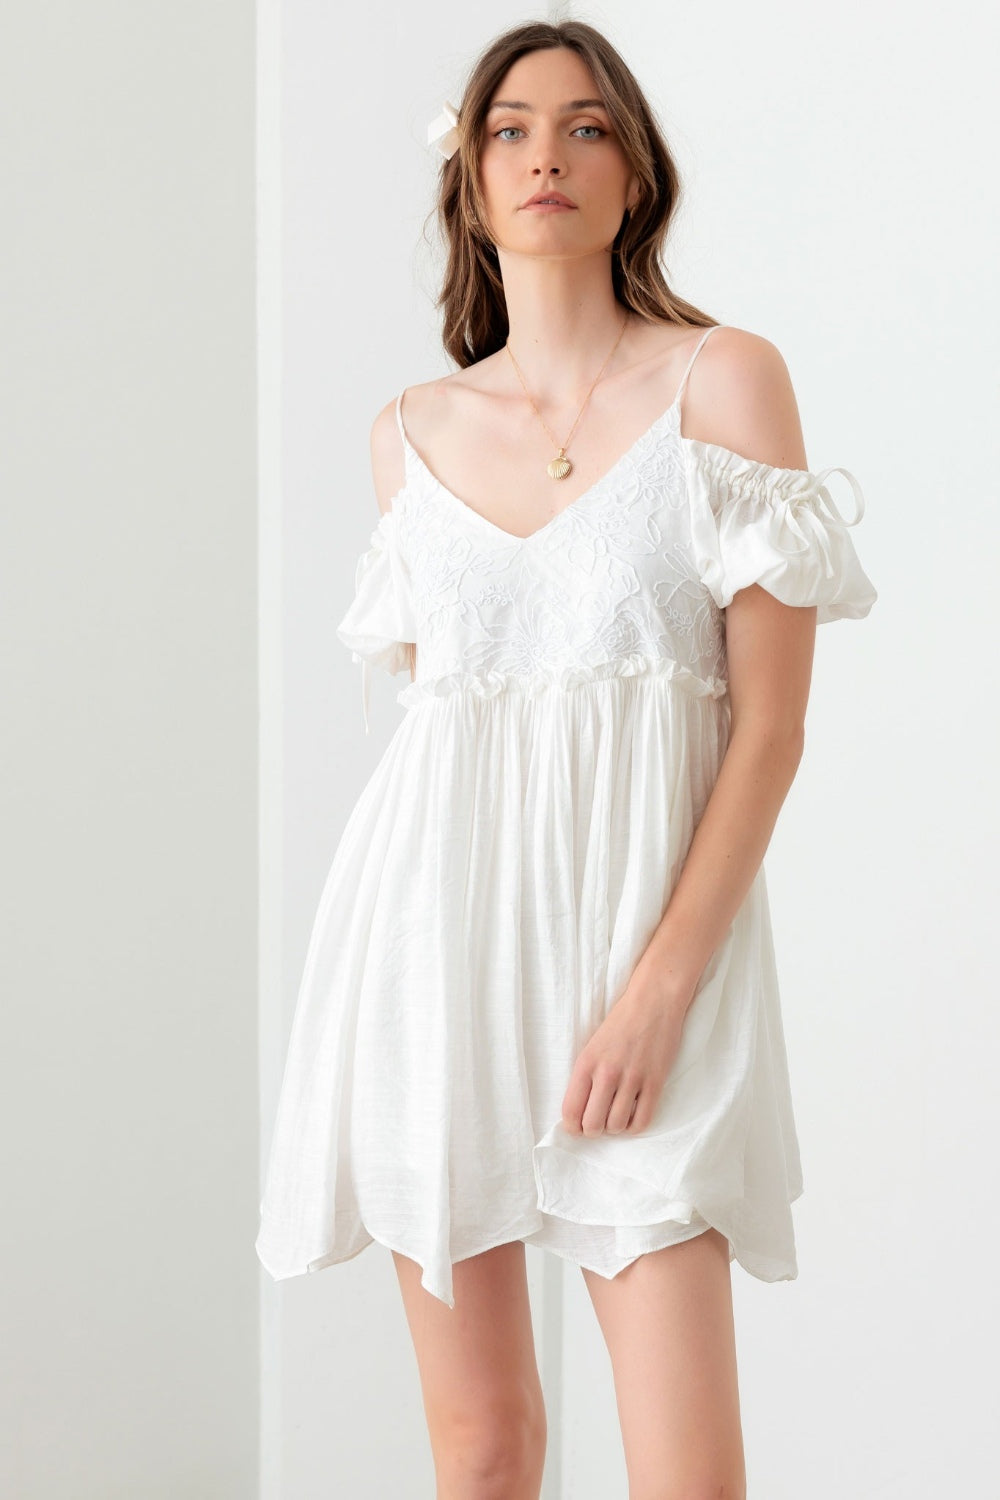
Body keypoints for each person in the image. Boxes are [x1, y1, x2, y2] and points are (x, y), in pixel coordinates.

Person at [257, 18, 877, 1498]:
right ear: (471, 183)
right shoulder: (407, 437)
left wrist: (657, 993)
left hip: (651, 969)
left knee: (686, 1476)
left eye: (587, 127)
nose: (548, 153)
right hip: (433, 956)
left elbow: (772, 729)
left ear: (635, 172)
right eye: (512, 129)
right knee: (482, 1453)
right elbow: (457, 738)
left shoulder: (725, 383)